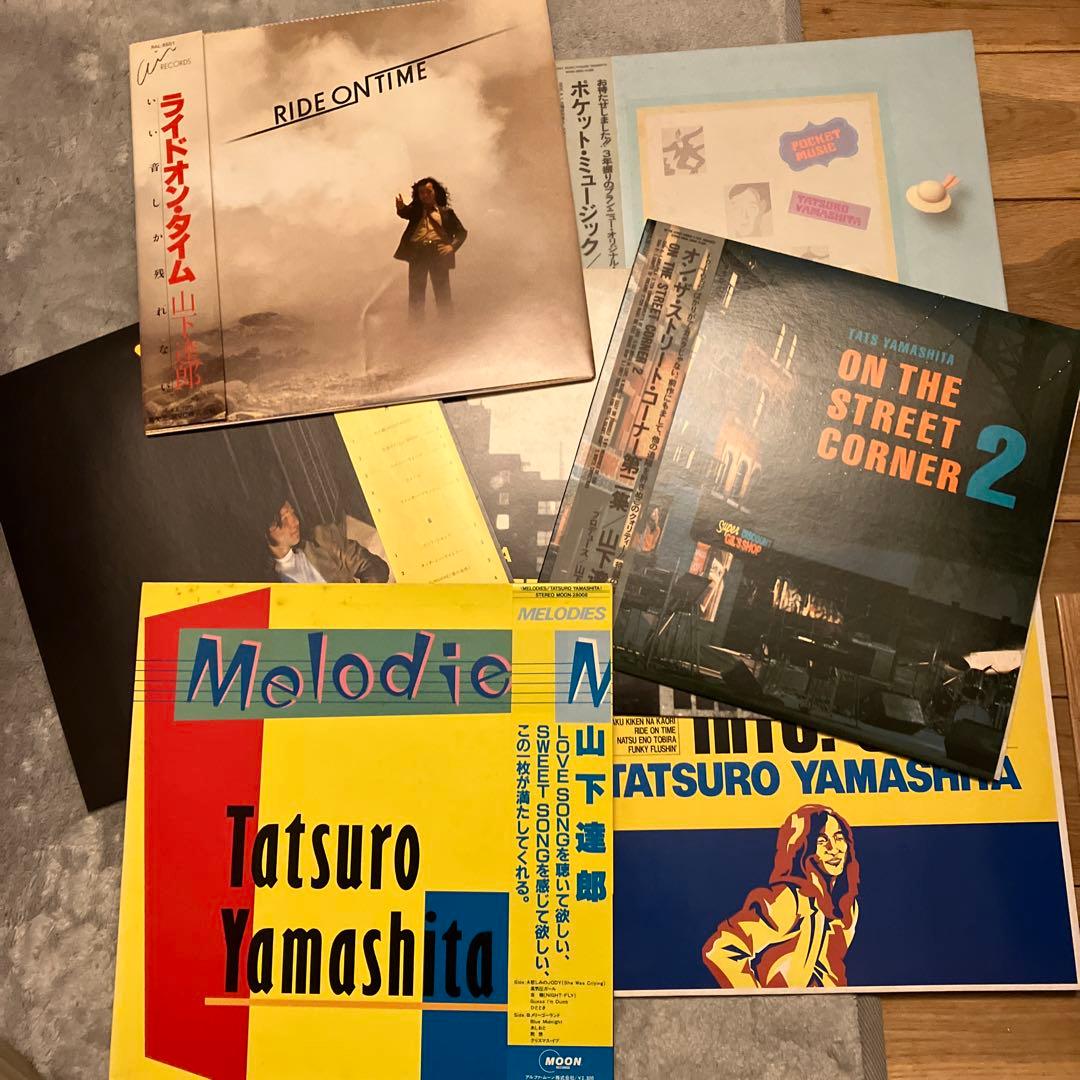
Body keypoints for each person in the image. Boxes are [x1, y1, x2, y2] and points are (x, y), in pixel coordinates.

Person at [702, 804, 860, 988]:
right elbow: (721, 950)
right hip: (779, 1004)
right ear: (803, 848)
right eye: (821, 841)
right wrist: (757, 1001)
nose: (833, 848)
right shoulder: (789, 899)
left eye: (839, 838)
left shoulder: (847, 905)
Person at [265, 500, 390, 584]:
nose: (295, 522)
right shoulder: (268, 583)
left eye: (292, 513)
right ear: (266, 532)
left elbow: (374, 567)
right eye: (284, 519)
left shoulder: (321, 539)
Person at [393, 177, 468, 316]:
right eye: (422, 192)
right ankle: (416, 324)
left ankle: (446, 323)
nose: (425, 195)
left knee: (442, 292)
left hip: (438, 253)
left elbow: (461, 232)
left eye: (428, 191)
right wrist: (401, 207)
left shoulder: (446, 213)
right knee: (416, 292)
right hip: (418, 253)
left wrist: (452, 247)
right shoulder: (416, 211)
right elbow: (405, 213)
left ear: (436, 192)